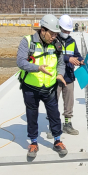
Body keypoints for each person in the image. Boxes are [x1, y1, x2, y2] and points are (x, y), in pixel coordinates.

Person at [17, 14, 68, 158]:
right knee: (32, 115)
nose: (54, 37)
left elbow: (61, 62)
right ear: (43, 30)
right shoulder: (27, 42)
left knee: (54, 114)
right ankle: (33, 142)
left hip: (50, 88)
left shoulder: (57, 44)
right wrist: (37, 68)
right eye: (52, 33)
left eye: (56, 34)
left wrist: (60, 74)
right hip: (30, 88)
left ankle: (57, 140)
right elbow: (20, 62)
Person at [56, 14, 83, 135]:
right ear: (60, 28)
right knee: (53, 102)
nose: (67, 32)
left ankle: (67, 124)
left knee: (69, 103)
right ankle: (53, 125)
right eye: (65, 30)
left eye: (68, 30)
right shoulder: (54, 40)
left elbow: (77, 55)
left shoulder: (72, 41)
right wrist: (68, 59)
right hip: (56, 76)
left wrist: (81, 60)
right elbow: (55, 55)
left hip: (69, 76)